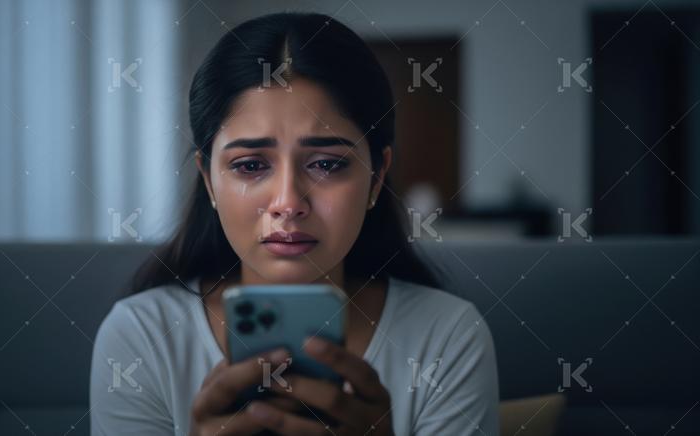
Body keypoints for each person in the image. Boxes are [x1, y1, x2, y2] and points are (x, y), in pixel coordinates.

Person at [90, 11, 499, 435]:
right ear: (209, 179)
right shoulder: (142, 337)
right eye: (250, 165)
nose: (288, 203)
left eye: (326, 163)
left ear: (376, 178)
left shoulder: (447, 336)